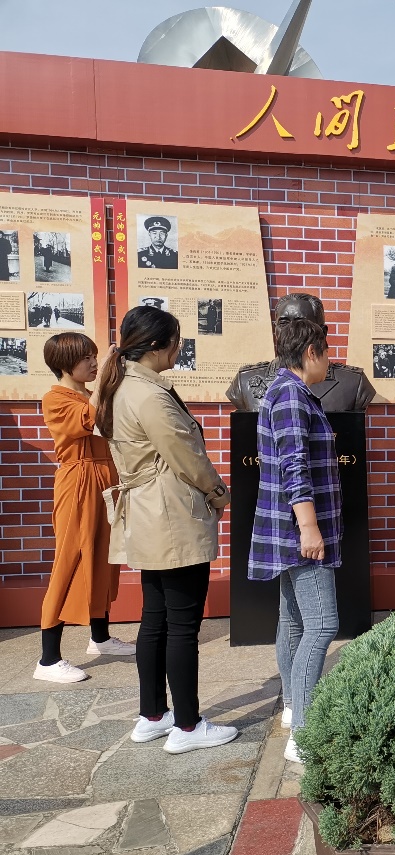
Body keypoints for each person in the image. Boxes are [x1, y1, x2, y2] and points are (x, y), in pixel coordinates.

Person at [95, 306, 236, 753]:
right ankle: (188, 727)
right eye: (176, 340)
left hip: (148, 512)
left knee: (155, 620)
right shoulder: (149, 395)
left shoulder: (121, 386)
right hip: (170, 513)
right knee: (181, 626)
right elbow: (186, 456)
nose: (179, 347)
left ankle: (153, 715)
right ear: (157, 346)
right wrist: (219, 493)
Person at [249, 318, 341, 765]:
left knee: (294, 621)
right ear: (310, 352)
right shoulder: (290, 394)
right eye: (326, 351)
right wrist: (309, 527)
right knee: (322, 625)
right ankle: (304, 733)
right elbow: (294, 465)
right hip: (297, 531)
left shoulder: (287, 391)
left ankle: (292, 708)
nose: (331, 361)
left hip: (286, 530)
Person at [34, 334, 133, 684]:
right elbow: (87, 421)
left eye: (95, 356)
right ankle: (48, 659)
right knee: (70, 560)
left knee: (105, 556)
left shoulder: (88, 393)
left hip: (105, 478)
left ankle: (100, 637)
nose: (93, 363)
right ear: (65, 364)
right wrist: (105, 373)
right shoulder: (55, 397)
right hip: (79, 481)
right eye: (86, 358)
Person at [226, 292, 375, 413]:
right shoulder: (244, 381)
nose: (290, 331)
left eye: (300, 324)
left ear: (322, 332)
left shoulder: (354, 382)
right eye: (283, 323)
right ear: (275, 329)